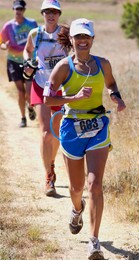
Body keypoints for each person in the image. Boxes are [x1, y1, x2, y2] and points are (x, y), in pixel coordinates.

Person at [43, 18, 126, 259]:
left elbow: (111, 84)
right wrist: (74, 98)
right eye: (78, 37)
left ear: (92, 39)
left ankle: (94, 241)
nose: (82, 41)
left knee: (95, 184)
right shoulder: (63, 67)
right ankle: (76, 208)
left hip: (98, 126)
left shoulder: (103, 64)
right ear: (71, 39)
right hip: (71, 128)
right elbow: (49, 99)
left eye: (86, 37)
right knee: (77, 187)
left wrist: (116, 97)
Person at [23, 0, 69, 196]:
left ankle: (51, 161)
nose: (51, 15)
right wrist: (28, 62)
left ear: (59, 14)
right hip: (40, 85)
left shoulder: (65, 33)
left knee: (56, 132)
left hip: (59, 87)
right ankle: (48, 176)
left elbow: (76, 50)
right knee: (45, 133)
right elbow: (27, 49)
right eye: (47, 12)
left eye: (55, 12)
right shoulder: (35, 34)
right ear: (42, 14)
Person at [0, 0, 37, 128]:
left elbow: (38, 40)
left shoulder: (32, 24)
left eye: (20, 9)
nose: (18, 11)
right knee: (20, 91)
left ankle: (30, 107)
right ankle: (23, 118)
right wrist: (5, 46)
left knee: (29, 92)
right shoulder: (8, 27)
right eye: (16, 9)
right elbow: (1, 43)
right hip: (13, 62)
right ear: (13, 10)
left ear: (24, 10)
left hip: (29, 62)